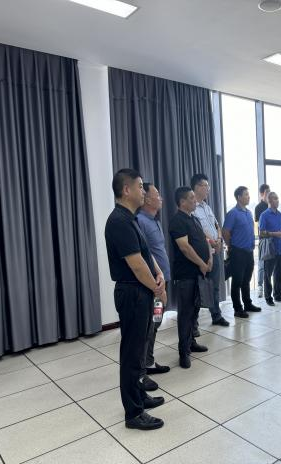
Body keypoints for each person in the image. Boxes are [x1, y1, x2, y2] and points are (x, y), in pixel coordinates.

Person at [104, 168, 166, 431]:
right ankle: (133, 412)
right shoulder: (119, 221)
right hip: (132, 292)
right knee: (131, 354)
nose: (144, 191)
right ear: (126, 190)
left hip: (141, 291)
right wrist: (157, 288)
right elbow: (136, 264)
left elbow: (146, 254)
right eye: (140, 186)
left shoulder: (131, 219)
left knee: (140, 350)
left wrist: (159, 274)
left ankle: (140, 395)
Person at [169, 187, 210, 369]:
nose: (195, 200)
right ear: (182, 202)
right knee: (185, 313)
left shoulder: (194, 219)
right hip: (186, 275)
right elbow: (185, 248)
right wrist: (201, 263)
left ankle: (191, 342)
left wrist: (209, 259)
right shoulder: (177, 221)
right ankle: (183, 352)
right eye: (192, 198)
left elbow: (204, 240)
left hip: (198, 273)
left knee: (194, 310)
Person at [136, 183, 171, 392]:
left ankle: (148, 362)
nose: (160, 198)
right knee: (148, 326)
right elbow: (143, 255)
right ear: (147, 199)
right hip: (153, 286)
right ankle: (141, 370)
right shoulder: (140, 221)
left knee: (155, 323)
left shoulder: (154, 220)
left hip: (161, 282)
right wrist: (158, 285)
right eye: (157, 194)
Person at [191, 173, 230, 328]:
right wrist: (211, 242)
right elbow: (197, 230)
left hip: (215, 251)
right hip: (202, 254)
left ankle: (216, 315)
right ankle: (193, 323)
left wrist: (219, 239)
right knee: (197, 288)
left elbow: (216, 225)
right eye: (205, 186)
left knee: (214, 285)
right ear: (197, 187)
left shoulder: (206, 206)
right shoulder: (192, 208)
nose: (208, 189)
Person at [223, 186, 262, 318]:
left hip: (249, 251)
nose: (248, 197)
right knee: (237, 281)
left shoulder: (248, 212)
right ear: (239, 197)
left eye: (248, 194)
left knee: (246, 280)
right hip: (237, 252)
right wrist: (230, 246)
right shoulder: (233, 213)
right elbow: (225, 232)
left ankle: (248, 304)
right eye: (246, 194)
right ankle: (237, 308)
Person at [259, 192, 281, 306]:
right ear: (269, 201)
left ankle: (278, 295)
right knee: (267, 275)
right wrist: (274, 234)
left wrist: (277, 234)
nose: (277, 200)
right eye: (275, 198)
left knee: (278, 274)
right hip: (269, 249)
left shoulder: (279, 214)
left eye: (278, 198)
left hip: (279, 248)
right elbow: (261, 233)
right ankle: (268, 297)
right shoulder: (264, 215)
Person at [254, 184, 270, 298]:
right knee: (262, 263)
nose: (269, 194)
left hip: (273, 239)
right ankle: (260, 286)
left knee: (272, 264)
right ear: (262, 194)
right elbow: (259, 225)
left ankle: (273, 285)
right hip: (263, 239)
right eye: (267, 192)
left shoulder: (271, 205)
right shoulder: (259, 207)